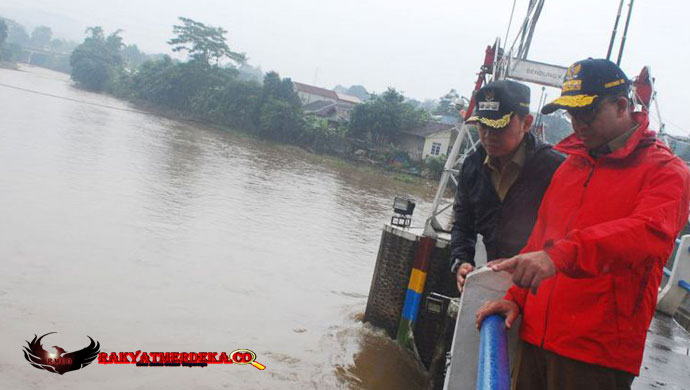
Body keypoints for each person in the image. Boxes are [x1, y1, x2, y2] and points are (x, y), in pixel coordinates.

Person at [476, 58, 690, 389]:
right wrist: (517, 296)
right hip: (535, 338)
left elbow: (648, 235)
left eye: (587, 112)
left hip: (596, 353)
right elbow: (540, 240)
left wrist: (559, 256)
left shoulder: (665, 172)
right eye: (571, 114)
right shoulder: (571, 167)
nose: (578, 124)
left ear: (621, 106)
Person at [450, 79, 563, 293]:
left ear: (526, 123)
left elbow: (566, 236)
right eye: (483, 126)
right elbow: (463, 224)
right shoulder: (473, 167)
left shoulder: (553, 169)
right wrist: (461, 260)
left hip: (541, 286)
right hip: (496, 281)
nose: (488, 135)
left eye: (499, 126)